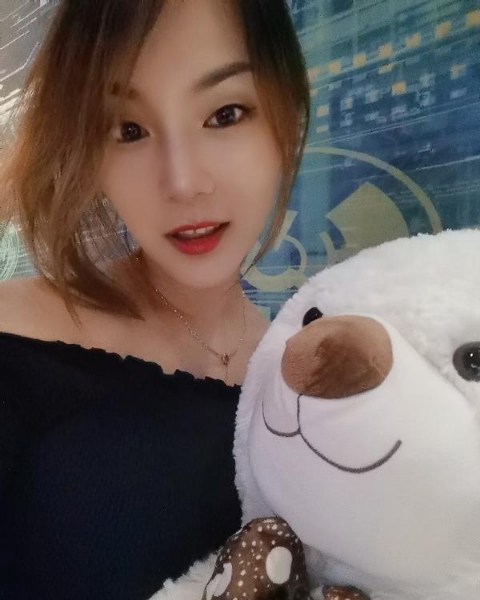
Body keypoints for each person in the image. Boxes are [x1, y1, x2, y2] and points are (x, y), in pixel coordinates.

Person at [0, 1, 310, 599]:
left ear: (288, 115)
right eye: (129, 130)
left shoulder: (304, 380)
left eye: (224, 114)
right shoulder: (16, 343)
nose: (183, 182)